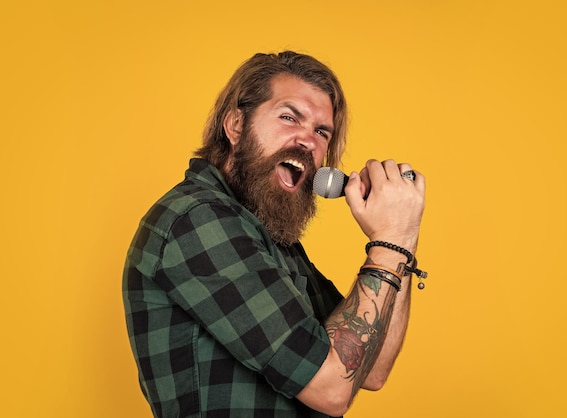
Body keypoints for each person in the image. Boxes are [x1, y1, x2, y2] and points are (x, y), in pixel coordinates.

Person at [123, 50, 426, 418]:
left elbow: (369, 367)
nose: (307, 141)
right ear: (235, 125)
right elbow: (332, 388)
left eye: (321, 131)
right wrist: (388, 242)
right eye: (288, 117)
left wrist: (404, 237)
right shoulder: (197, 219)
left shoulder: (270, 234)